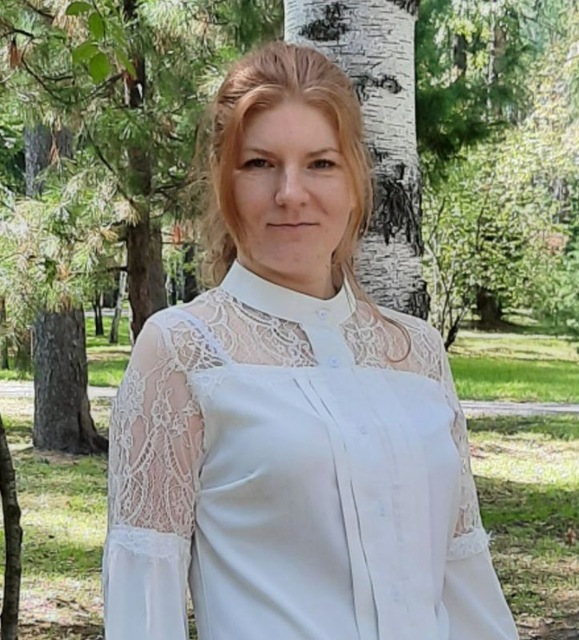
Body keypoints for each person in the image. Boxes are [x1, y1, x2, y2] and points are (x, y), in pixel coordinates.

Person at [102, 41, 519, 640]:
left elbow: (463, 573)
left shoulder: (419, 352)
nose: (290, 192)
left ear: (355, 181)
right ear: (222, 180)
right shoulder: (183, 350)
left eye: (320, 163)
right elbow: (145, 593)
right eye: (259, 164)